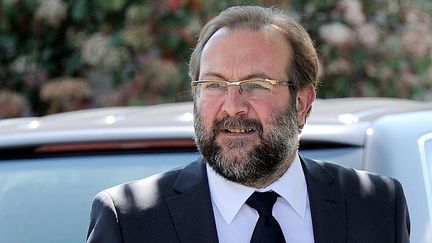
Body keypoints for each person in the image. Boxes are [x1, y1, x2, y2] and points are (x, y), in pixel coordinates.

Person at [86, 5, 410, 243]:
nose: (233, 107)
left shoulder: (376, 205)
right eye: (213, 85)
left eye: (256, 85)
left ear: (302, 103)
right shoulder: (129, 221)